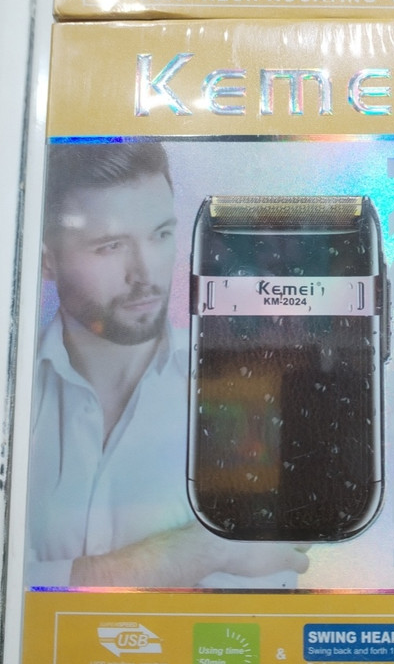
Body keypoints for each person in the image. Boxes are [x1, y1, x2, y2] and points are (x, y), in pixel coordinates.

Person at [26, 141, 309, 587]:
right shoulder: (15, 393)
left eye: (160, 235)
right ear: (47, 261)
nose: (146, 274)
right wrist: (188, 556)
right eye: (110, 246)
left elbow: (265, 590)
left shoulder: (240, 391)